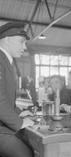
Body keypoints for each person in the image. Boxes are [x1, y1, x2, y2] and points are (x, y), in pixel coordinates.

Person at [0, 22, 34, 157]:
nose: (24, 47)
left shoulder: (6, 61)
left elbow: (6, 97)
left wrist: (18, 112)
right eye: (21, 42)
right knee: (25, 154)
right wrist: (19, 122)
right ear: (7, 40)